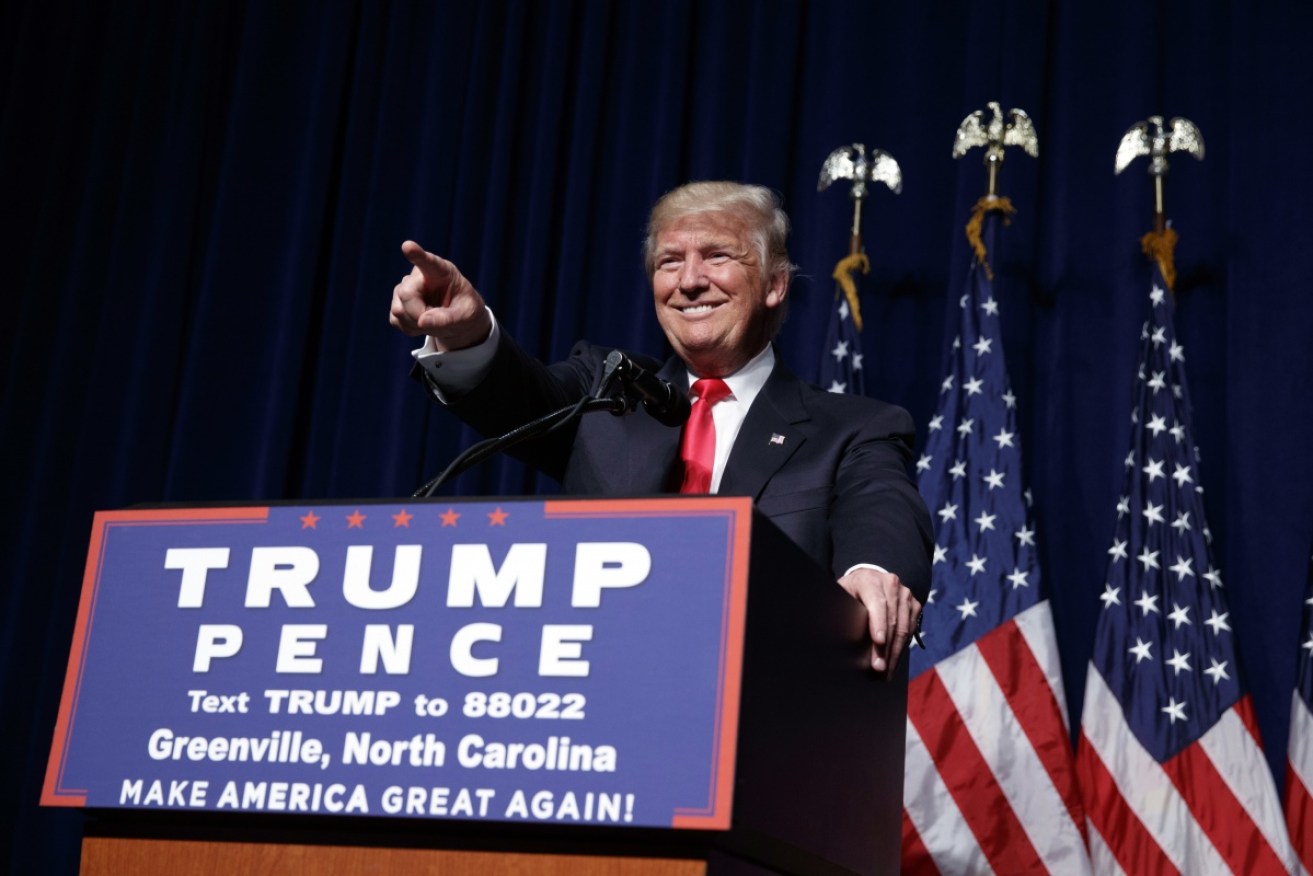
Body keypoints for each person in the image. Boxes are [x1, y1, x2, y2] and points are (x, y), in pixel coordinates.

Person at [390, 181, 932, 678]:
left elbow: (882, 507)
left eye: (717, 256)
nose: (690, 281)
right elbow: (520, 397)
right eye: (670, 261)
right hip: (593, 698)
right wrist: (468, 333)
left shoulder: (854, 428)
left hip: (757, 709)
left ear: (775, 284)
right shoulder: (605, 390)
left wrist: (874, 570)